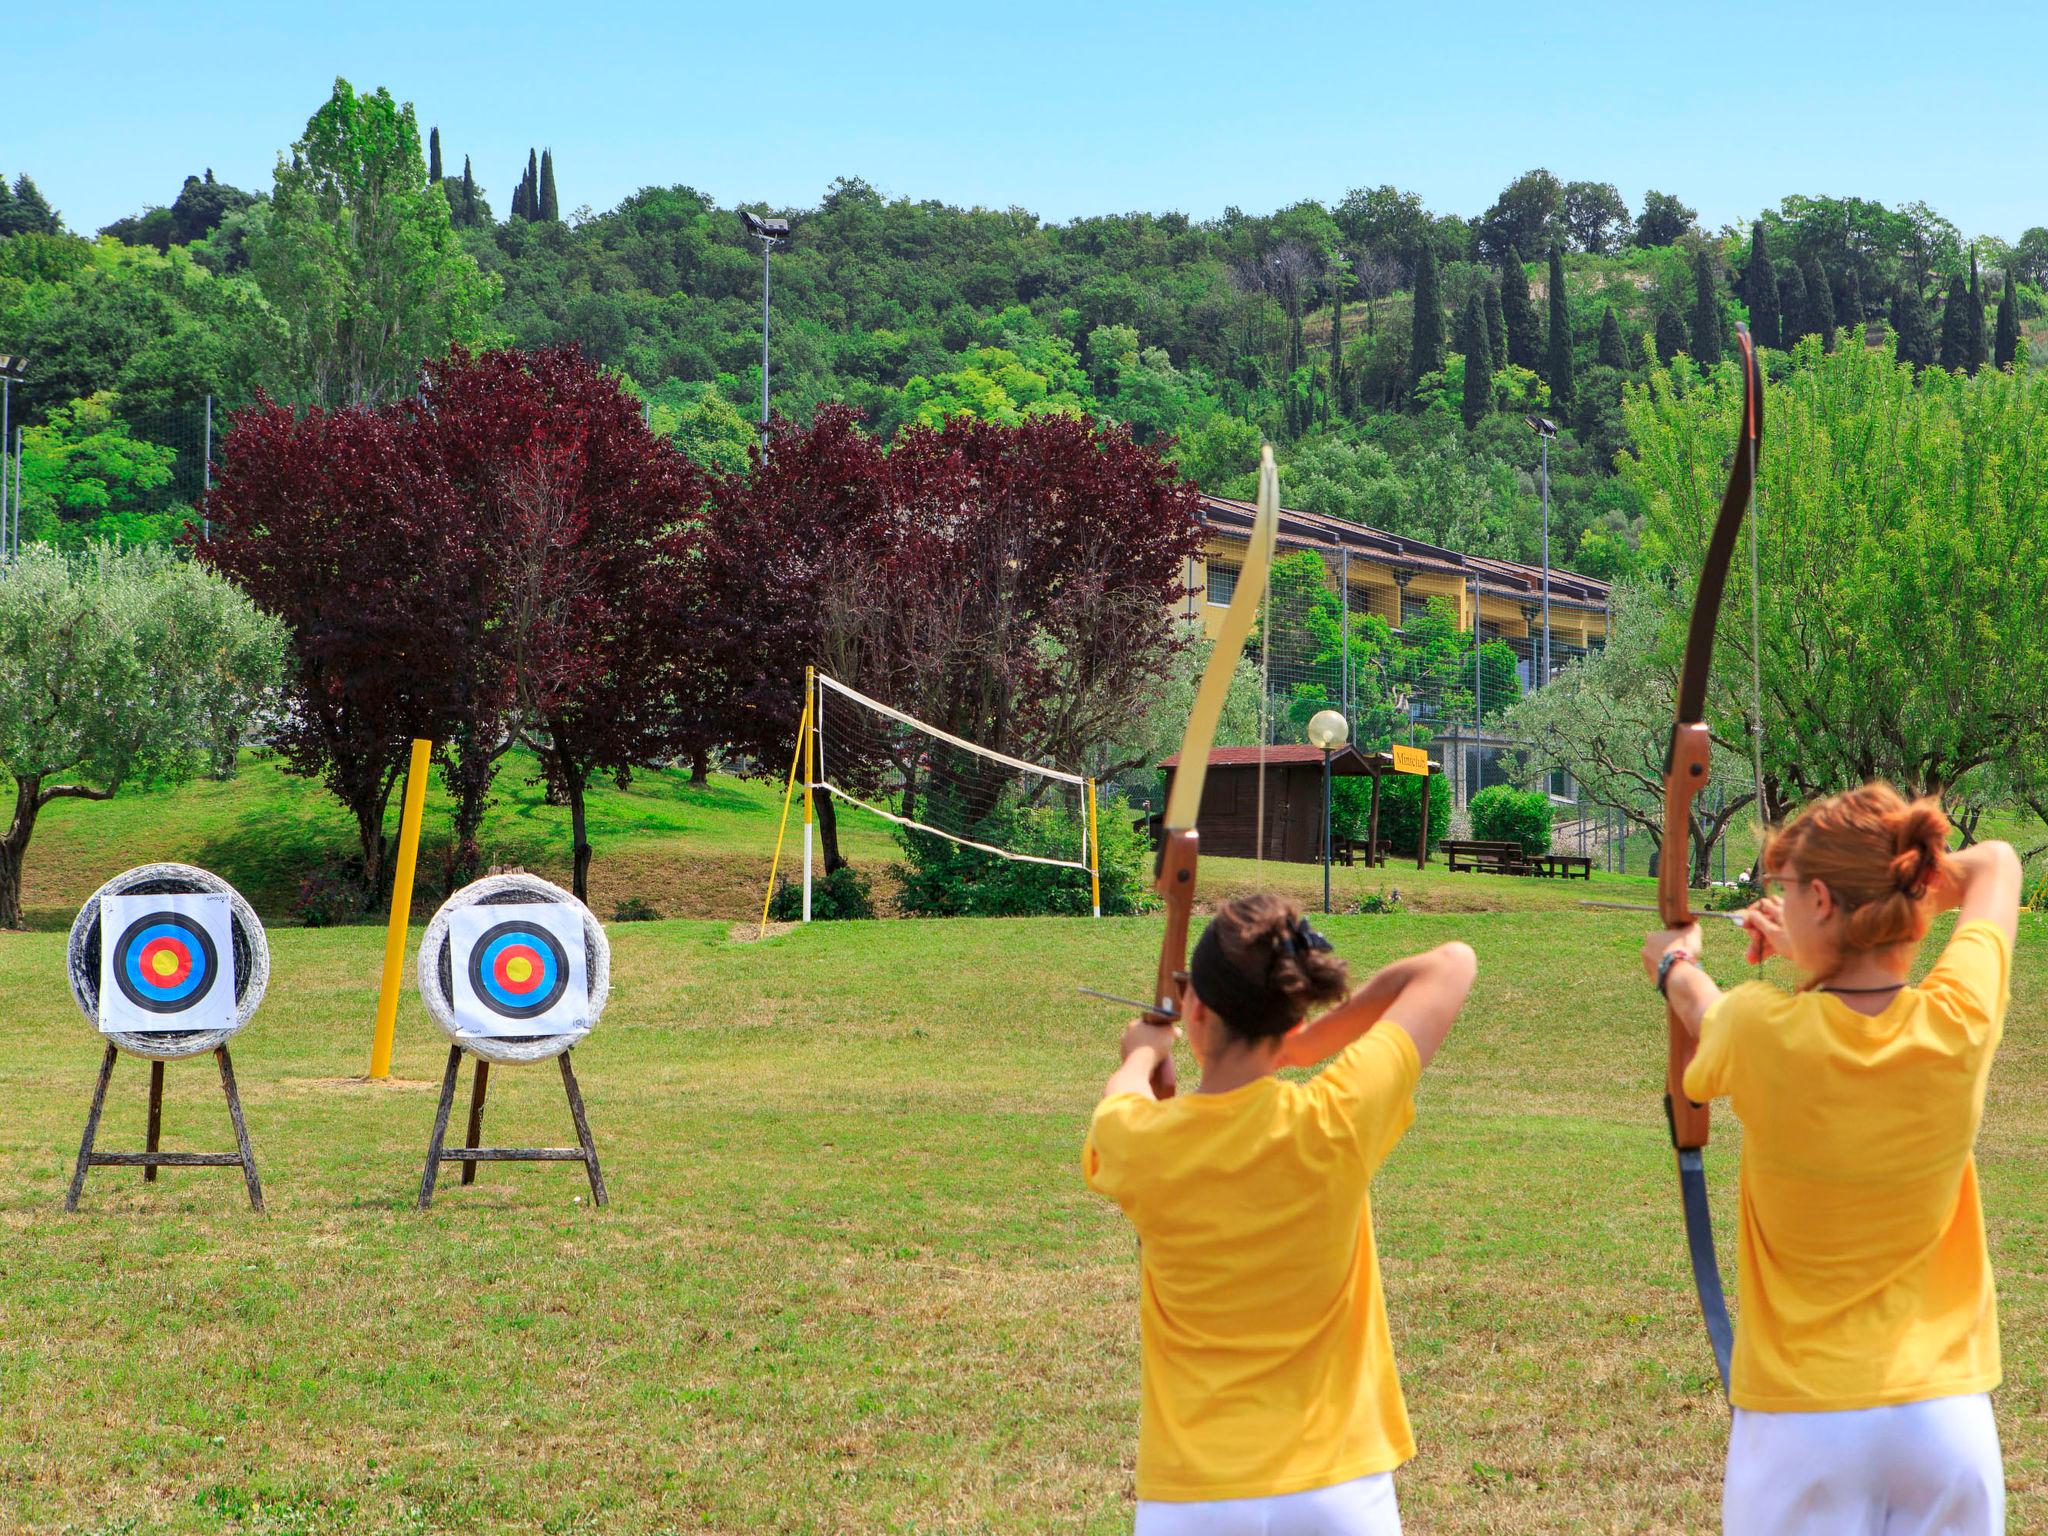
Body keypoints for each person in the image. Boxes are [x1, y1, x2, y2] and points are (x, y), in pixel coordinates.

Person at [1645, 783, 2019, 1536]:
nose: (1773, 905)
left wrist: (1672, 961)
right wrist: (1866, 913)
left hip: (1805, 1425)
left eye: (1786, 893)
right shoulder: (1958, 1021)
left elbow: (1701, 1004)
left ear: (1819, 898)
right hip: (1946, 1424)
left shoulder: (1758, 1030)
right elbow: (1996, 863)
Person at [1082, 893, 1476, 1535]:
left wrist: (1141, 1052)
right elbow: (1452, 963)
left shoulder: (1139, 1141)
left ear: (1198, 1010)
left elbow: (1119, 1100)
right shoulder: (1334, 1119)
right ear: (1288, 1015)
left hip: (1194, 1493)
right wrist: (1299, 1046)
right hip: (1338, 1484)